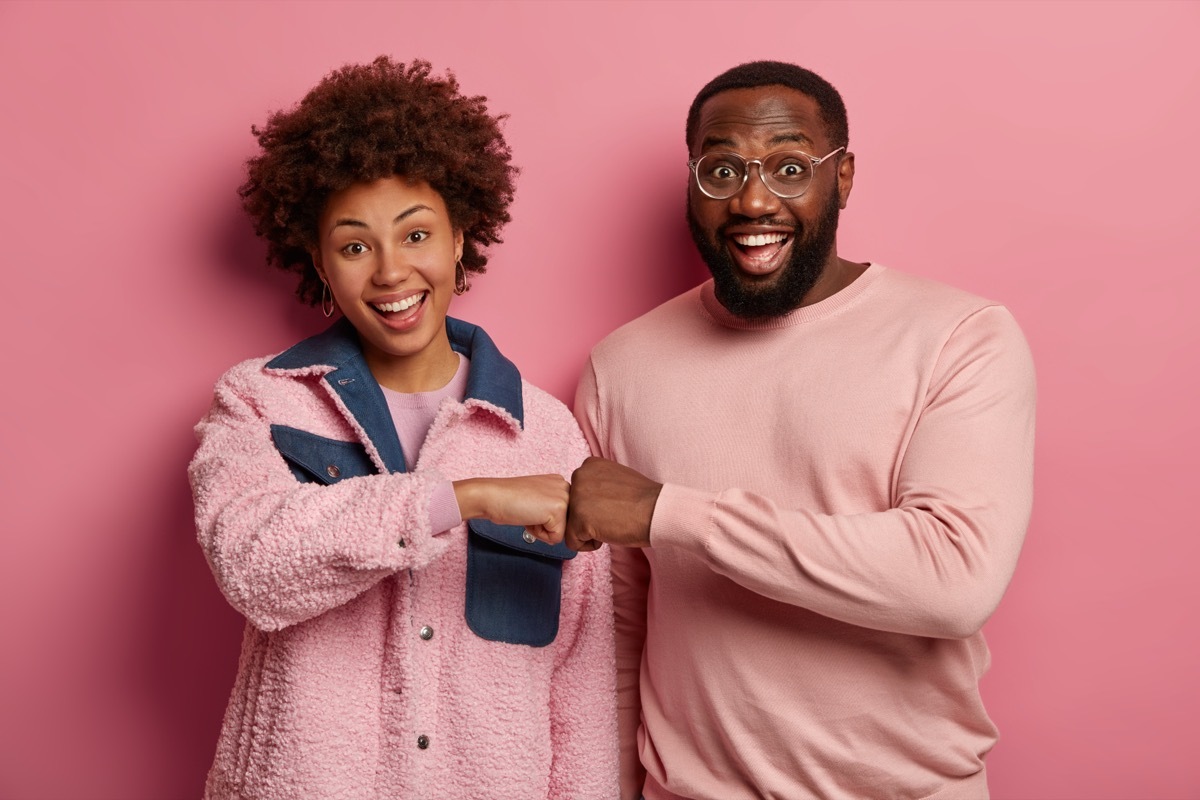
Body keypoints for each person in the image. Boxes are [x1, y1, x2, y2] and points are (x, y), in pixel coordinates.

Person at [566, 61, 1036, 799]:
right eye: (722, 170)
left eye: (789, 168)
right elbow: (620, 632)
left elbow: (954, 579)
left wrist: (670, 512)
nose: (753, 200)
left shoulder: (960, 337)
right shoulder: (620, 367)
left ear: (841, 178)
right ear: (693, 182)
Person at [189, 57, 618, 799]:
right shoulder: (260, 401)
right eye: (355, 246)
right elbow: (251, 567)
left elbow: (580, 684)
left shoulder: (546, 432)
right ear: (320, 263)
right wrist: (466, 498)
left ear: (460, 239)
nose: (390, 272)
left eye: (416, 235)